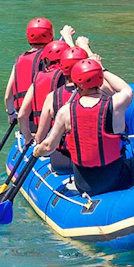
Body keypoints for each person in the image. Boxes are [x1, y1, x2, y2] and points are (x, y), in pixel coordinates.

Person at [36, 59, 134, 196]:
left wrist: (37, 152)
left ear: (76, 84)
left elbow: (48, 147)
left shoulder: (66, 111)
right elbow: (127, 90)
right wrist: (102, 69)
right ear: (100, 80)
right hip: (116, 180)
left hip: (83, 185)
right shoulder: (115, 104)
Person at [33, 44, 93, 173]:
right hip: (91, 160)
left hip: (61, 162)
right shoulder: (100, 94)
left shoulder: (52, 97)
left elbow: (39, 138)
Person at [17, 40, 70, 143]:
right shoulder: (72, 80)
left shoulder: (38, 80)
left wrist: (28, 137)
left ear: (46, 61)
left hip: (41, 135)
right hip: (64, 138)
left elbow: (22, 115)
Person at [3, 17, 53, 125]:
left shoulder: (19, 61)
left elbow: (8, 96)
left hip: (26, 122)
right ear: (50, 35)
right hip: (45, 120)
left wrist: (11, 114)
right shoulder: (50, 59)